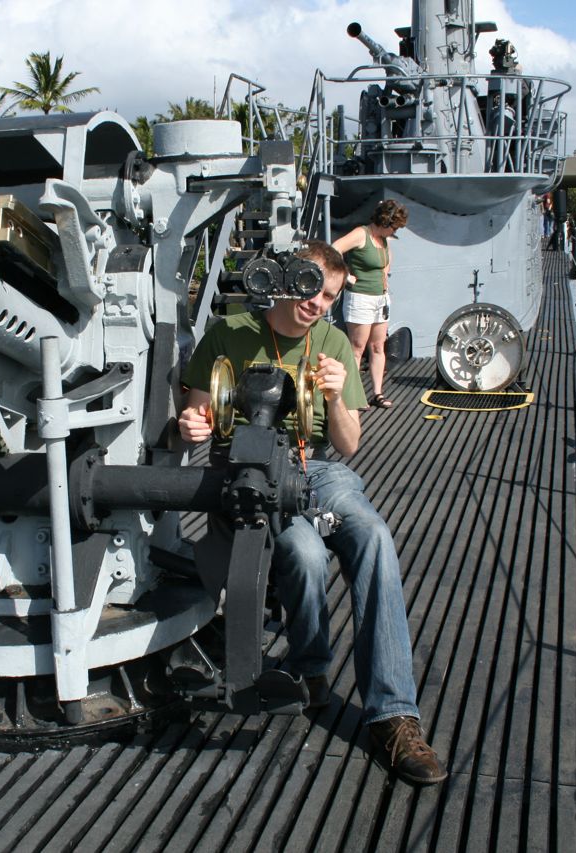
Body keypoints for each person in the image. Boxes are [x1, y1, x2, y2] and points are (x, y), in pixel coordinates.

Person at [178, 240, 447, 785]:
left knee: (372, 534)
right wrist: (189, 423)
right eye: (311, 288)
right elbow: (193, 407)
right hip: (250, 470)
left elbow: (349, 445)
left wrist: (336, 397)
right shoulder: (230, 332)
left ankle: (394, 715)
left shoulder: (333, 344)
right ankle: (313, 668)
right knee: (301, 549)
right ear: (285, 278)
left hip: (317, 468)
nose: (319, 304)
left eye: (330, 296)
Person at [332, 200, 408, 410]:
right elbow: (335, 249)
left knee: (377, 347)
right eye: (394, 226)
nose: (394, 231)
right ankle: (353, 396)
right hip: (360, 298)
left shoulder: (384, 239)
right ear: (385, 221)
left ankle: (377, 393)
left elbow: (385, 263)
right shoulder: (361, 234)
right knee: (357, 349)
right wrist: (346, 275)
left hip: (380, 299)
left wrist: (384, 278)